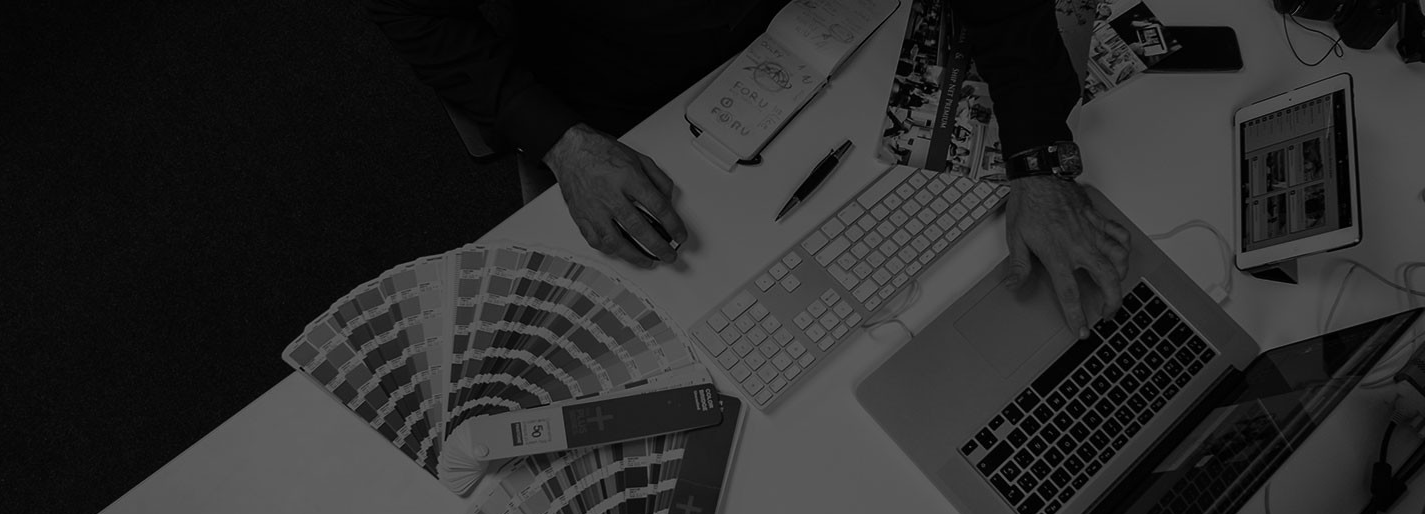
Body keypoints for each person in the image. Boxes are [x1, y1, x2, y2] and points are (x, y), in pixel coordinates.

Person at [369, 0, 1131, 333]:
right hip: (630, 104)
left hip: (811, 41)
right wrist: (563, 142)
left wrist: (1037, 159)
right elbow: (414, 14)